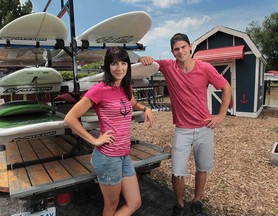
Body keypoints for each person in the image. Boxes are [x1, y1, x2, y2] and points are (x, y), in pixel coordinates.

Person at [139, 33, 232, 216]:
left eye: (183, 47)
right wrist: (144, 58)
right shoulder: (167, 66)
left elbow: (226, 87)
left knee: (202, 168)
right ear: (172, 52)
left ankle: (197, 201)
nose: (180, 51)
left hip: (205, 127)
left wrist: (221, 114)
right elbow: (147, 63)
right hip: (182, 129)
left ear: (190, 47)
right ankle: (180, 204)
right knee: (177, 172)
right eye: (176, 49)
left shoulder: (205, 68)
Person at [64, 46, 154, 216]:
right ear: (107, 66)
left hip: (124, 155)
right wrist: (94, 140)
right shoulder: (100, 89)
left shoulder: (126, 88)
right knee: (111, 206)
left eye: (122, 63)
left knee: (135, 202)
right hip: (108, 157)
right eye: (114, 64)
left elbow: (132, 103)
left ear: (128, 65)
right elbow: (70, 118)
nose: (119, 68)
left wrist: (145, 108)